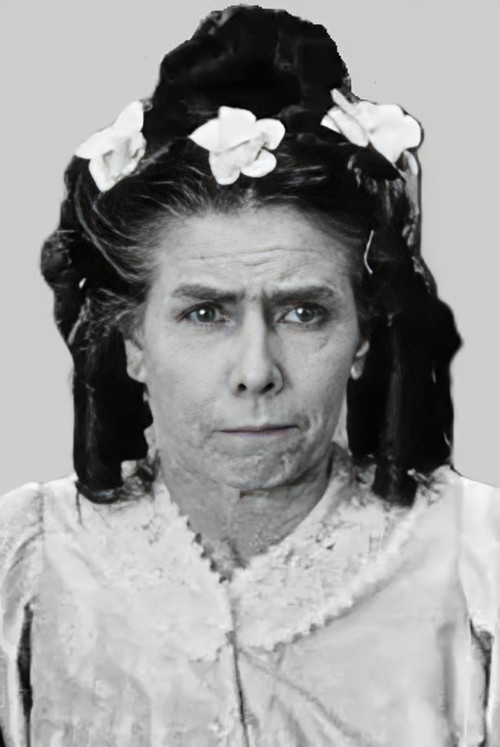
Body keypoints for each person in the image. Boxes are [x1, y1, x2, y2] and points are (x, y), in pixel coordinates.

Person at [0, 5, 498, 745]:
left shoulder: (477, 559)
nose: (257, 372)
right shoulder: (28, 561)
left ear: (363, 335)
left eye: (303, 313)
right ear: (133, 340)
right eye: (206, 314)